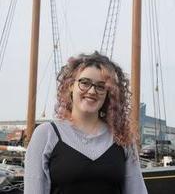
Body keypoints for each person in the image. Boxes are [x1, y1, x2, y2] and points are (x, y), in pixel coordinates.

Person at [24, 51, 148, 194]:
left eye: (101, 86)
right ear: (70, 85)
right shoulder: (46, 134)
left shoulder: (122, 138)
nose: (92, 91)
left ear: (109, 93)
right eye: (85, 83)